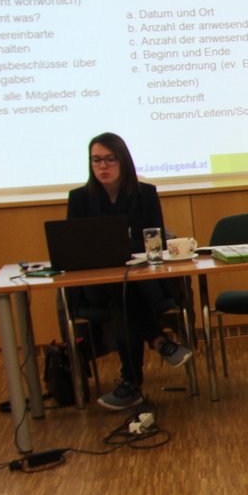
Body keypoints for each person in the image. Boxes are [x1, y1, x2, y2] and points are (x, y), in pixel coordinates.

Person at [66, 132, 193, 409]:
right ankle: (159, 341)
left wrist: (116, 245)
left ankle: (131, 384)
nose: (102, 166)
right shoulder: (79, 199)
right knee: (120, 291)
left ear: (123, 161)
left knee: (123, 296)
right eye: (96, 160)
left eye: (109, 159)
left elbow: (155, 242)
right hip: (96, 286)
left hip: (141, 281)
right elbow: (76, 247)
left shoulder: (144, 194)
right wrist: (124, 243)